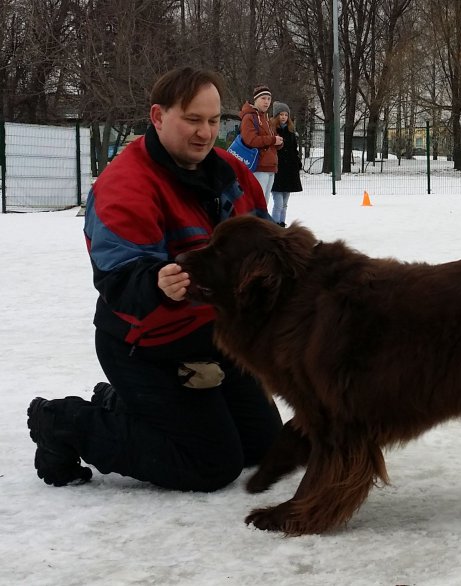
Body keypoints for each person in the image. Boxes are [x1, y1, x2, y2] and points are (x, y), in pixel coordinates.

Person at [27, 67, 283, 491]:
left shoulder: (230, 171)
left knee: (264, 447)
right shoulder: (125, 184)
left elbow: (269, 241)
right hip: (146, 346)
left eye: (214, 121)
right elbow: (118, 279)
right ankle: (66, 422)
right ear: (159, 116)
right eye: (192, 120)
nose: (205, 133)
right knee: (211, 465)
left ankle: (131, 408)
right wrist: (154, 283)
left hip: (218, 340)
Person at [239, 85, 283, 204]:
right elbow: (251, 140)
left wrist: (278, 142)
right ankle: (253, 223)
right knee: (257, 203)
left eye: (269, 99)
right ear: (256, 99)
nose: (267, 102)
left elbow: (271, 139)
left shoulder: (266, 118)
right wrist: (273, 140)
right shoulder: (249, 117)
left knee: (264, 203)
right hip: (257, 166)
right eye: (263, 98)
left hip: (270, 166)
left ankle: (260, 222)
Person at [269, 102, 303, 227]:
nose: (283, 117)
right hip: (277, 171)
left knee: (284, 203)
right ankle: (275, 225)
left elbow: (294, 151)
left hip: (289, 172)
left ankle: (282, 223)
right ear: (276, 116)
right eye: (281, 114)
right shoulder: (271, 131)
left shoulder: (291, 133)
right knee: (278, 202)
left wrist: (297, 163)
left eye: (286, 115)